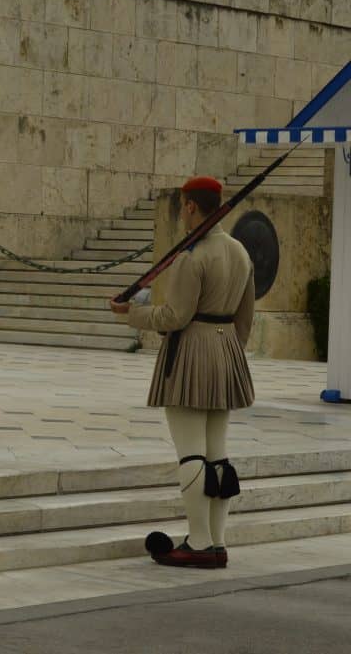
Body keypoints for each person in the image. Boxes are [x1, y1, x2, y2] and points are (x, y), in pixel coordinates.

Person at [110, 176, 255, 569]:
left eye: (183, 206)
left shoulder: (192, 256)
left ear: (191, 206)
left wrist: (132, 313)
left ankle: (199, 542)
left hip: (191, 353)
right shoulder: (240, 252)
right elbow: (245, 318)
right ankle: (217, 543)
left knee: (191, 452)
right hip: (226, 351)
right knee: (218, 457)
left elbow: (176, 316)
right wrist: (228, 352)